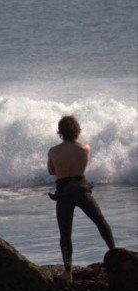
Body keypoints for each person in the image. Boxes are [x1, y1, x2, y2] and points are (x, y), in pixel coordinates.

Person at [47, 115, 115, 281]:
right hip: (82, 190)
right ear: (77, 130)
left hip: (64, 194)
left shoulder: (53, 151)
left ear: (60, 132)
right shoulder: (85, 148)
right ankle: (115, 255)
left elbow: (51, 171)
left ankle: (68, 272)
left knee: (65, 234)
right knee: (101, 223)